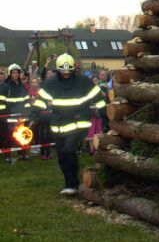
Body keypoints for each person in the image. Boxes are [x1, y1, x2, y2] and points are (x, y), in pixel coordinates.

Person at [38, 53, 106, 195]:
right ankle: (68, 182)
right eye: (63, 71)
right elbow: (40, 99)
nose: (66, 73)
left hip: (78, 122)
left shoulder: (83, 81)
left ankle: (73, 184)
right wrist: (33, 114)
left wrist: (105, 113)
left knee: (69, 150)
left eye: (69, 71)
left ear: (74, 69)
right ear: (58, 70)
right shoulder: (51, 83)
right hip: (58, 125)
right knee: (62, 155)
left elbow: (98, 97)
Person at [0, 63, 31, 162]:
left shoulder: (22, 86)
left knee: (22, 136)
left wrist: (27, 113)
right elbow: (1, 102)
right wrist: (3, 116)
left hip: (21, 117)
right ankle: (7, 156)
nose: (16, 74)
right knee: (7, 138)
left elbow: (27, 101)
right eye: (13, 72)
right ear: (10, 74)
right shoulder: (5, 86)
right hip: (9, 118)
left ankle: (22, 154)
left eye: (17, 72)